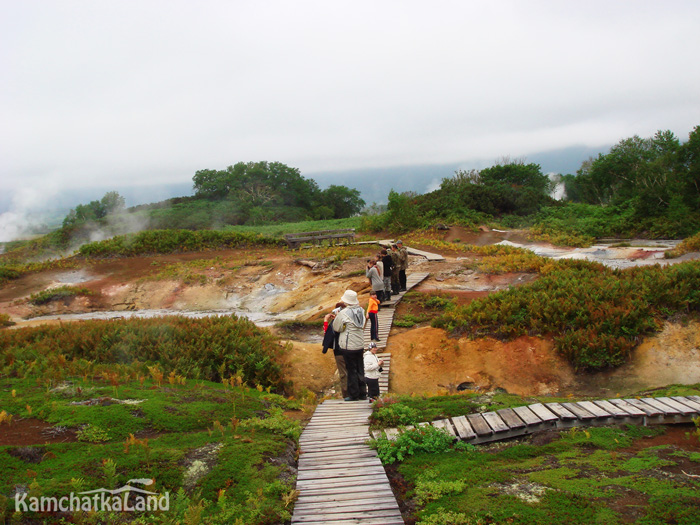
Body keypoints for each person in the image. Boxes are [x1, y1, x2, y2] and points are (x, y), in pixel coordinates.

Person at [332, 290, 367, 401]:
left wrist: (338, 318)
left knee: (351, 370)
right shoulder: (361, 310)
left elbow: (336, 328)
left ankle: (353, 394)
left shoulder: (343, 313)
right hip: (360, 343)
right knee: (360, 368)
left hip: (348, 346)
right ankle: (363, 393)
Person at [322, 303, 347, 398]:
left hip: (339, 351)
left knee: (344, 374)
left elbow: (327, 335)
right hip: (351, 349)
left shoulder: (335, 323)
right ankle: (356, 392)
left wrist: (326, 321)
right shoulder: (348, 319)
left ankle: (346, 395)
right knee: (352, 371)